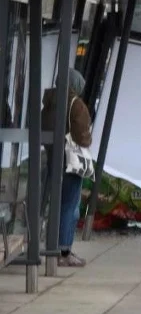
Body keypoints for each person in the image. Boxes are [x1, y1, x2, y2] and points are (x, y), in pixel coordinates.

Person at [41, 69, 92, 267]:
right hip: (71, 161)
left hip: (53, 157)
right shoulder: (76, 104)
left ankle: (54, 247)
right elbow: (82, 136)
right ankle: (63, 251)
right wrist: (88, 139)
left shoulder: (49, 102)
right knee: (70, 206)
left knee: (56, 204)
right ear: (75, 84)